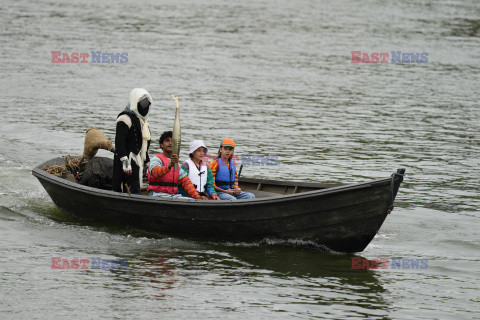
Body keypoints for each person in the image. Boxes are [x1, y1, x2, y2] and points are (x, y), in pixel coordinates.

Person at [112, 88, 152, 194]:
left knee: (135, 188)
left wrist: (147, 162)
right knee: (124, 188)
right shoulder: (124, 118)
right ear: (134, 101)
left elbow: (144, 145)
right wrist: (125, 162)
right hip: (125, 159)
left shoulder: (142, 121)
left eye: (147, 103)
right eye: (142, 102)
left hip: (137, 160)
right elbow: (119, 142)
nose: (145, 106)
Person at [147, 131, 206, 199]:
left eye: (173, 141)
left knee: (192, 200)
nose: (170, 143)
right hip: (157, 194)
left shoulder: (177, 165)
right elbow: (156, 172)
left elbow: (186, 183)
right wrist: (170, 165)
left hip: (173, 196)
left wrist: (197, 196)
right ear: (161, 145)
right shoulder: (156, 159)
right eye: (167, 141)